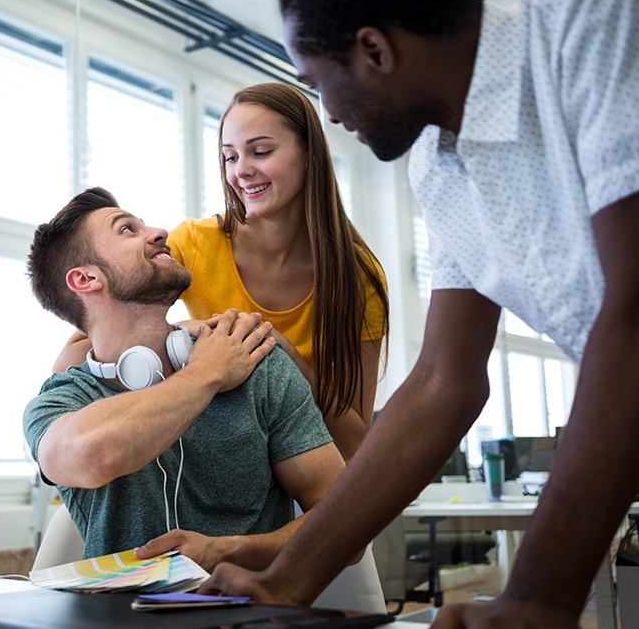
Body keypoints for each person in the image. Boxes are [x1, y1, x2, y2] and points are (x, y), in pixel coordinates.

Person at [201, 0, 639, 627]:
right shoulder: (436, 167)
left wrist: (537, 593)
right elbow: (444, 380)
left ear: (376, 51)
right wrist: (287, 576)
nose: (329, 109)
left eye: (321, 81)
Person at [53, 82, 390, 461]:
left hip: (303, 464)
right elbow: (72, 360)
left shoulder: (357, 276)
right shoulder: (193, 245)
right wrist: (196, 335)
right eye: (230, 157)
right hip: (221, 460)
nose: (242, 171)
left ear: (309, 153)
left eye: (260, 152)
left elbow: (354, 441)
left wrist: (284, 355)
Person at [24, 187, 348, 572]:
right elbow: (96, 455)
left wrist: (227, 551)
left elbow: (345, 522)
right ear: (86, 278)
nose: (159, 232)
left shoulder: (254, 362)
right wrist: (207, 373)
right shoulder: (61, 401)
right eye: (127, 230)